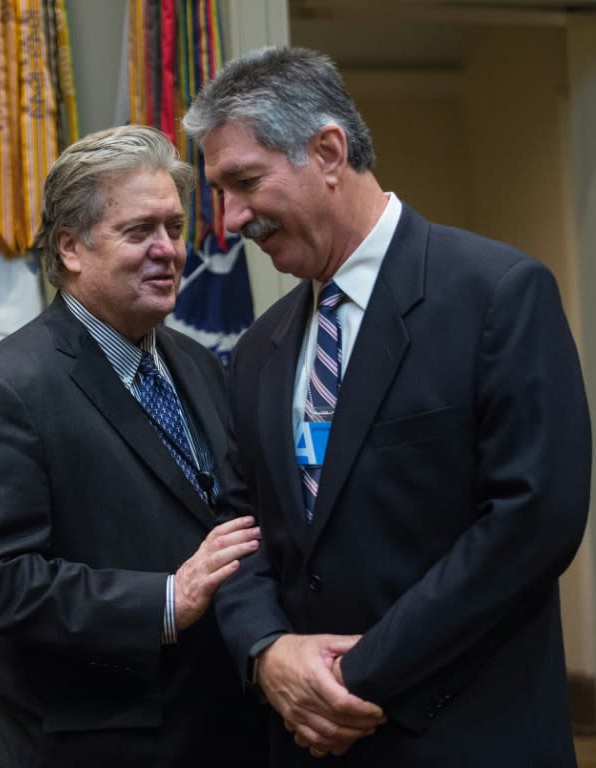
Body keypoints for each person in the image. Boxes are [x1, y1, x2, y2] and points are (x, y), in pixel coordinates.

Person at [183, 46, 592, 766]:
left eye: (244, 182)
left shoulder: (496, 296)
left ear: (329, 151)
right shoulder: (256, 352)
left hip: (458, 738)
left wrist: (352, 678)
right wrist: (268, 651)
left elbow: (533, 521)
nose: (229, 218)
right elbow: (236, 523)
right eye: (219, 191)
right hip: (304, 741)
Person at [0, 125, 268, 768]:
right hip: (90, 744)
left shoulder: (196, 361)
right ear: (71, 248)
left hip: (218, 732)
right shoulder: (7, 387)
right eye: (139, 231)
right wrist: (166, 600)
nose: (168, 251)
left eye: (175, 228)